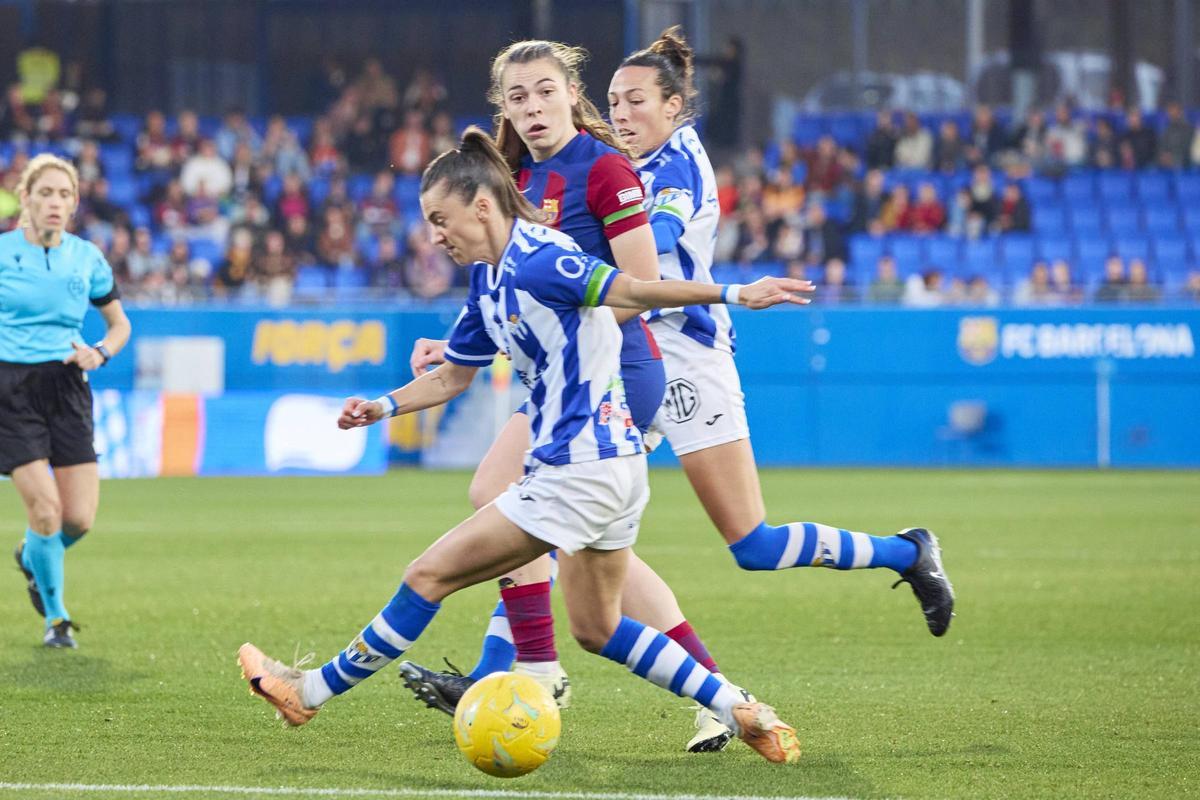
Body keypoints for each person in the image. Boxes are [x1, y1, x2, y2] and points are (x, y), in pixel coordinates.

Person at [403, 27, 954, 748]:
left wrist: (719, 288)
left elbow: (630, 270)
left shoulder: (666, 169)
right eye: (615, 100)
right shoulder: (571, 169)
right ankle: (564, 675)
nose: (622, 112)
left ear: (675, 107)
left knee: (733, 540)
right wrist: (467, 339)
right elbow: (520, 273)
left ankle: (907, 553)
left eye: (636, 101)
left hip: (682, 351)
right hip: (624, 351)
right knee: (567, 522)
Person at [238, 128, 807, 765]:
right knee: (598, 628)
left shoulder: (543, 259)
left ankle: (306, 692)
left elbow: (636, 290)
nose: (433, 235)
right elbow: (453, 373)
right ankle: (739, 707)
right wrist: (384, 406)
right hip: (613, 471)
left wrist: (736, 292)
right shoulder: (489, 278)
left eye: (439, 219)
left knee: (428, 576)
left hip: (578, 469)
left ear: (482, 207)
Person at [397, 38, 742, 754]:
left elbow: (637, 284)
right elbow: (517, 290)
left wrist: (544, 331)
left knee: (498, 491)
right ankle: (717, 695)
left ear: (568, 93)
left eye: (544, 92)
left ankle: (534, 668)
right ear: (505, 107)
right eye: (517, 97)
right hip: (567, 378)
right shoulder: (514, 173)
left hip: (618, 370)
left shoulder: (602, 165)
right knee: (596, 560)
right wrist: (464, 343)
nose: (532, 107)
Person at [1, 154, 131, 648]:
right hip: (10, 389)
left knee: (79, 519)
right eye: (45, 193)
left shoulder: (87, 258)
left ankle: (31, 555)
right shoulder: (3, 253)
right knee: (47, 512)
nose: (55, 203)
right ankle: (57, 621)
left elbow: (120, 325)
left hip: (67, 384)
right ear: (26, 199)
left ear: (74, 204)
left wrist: (100, 352)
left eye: (64, 195)